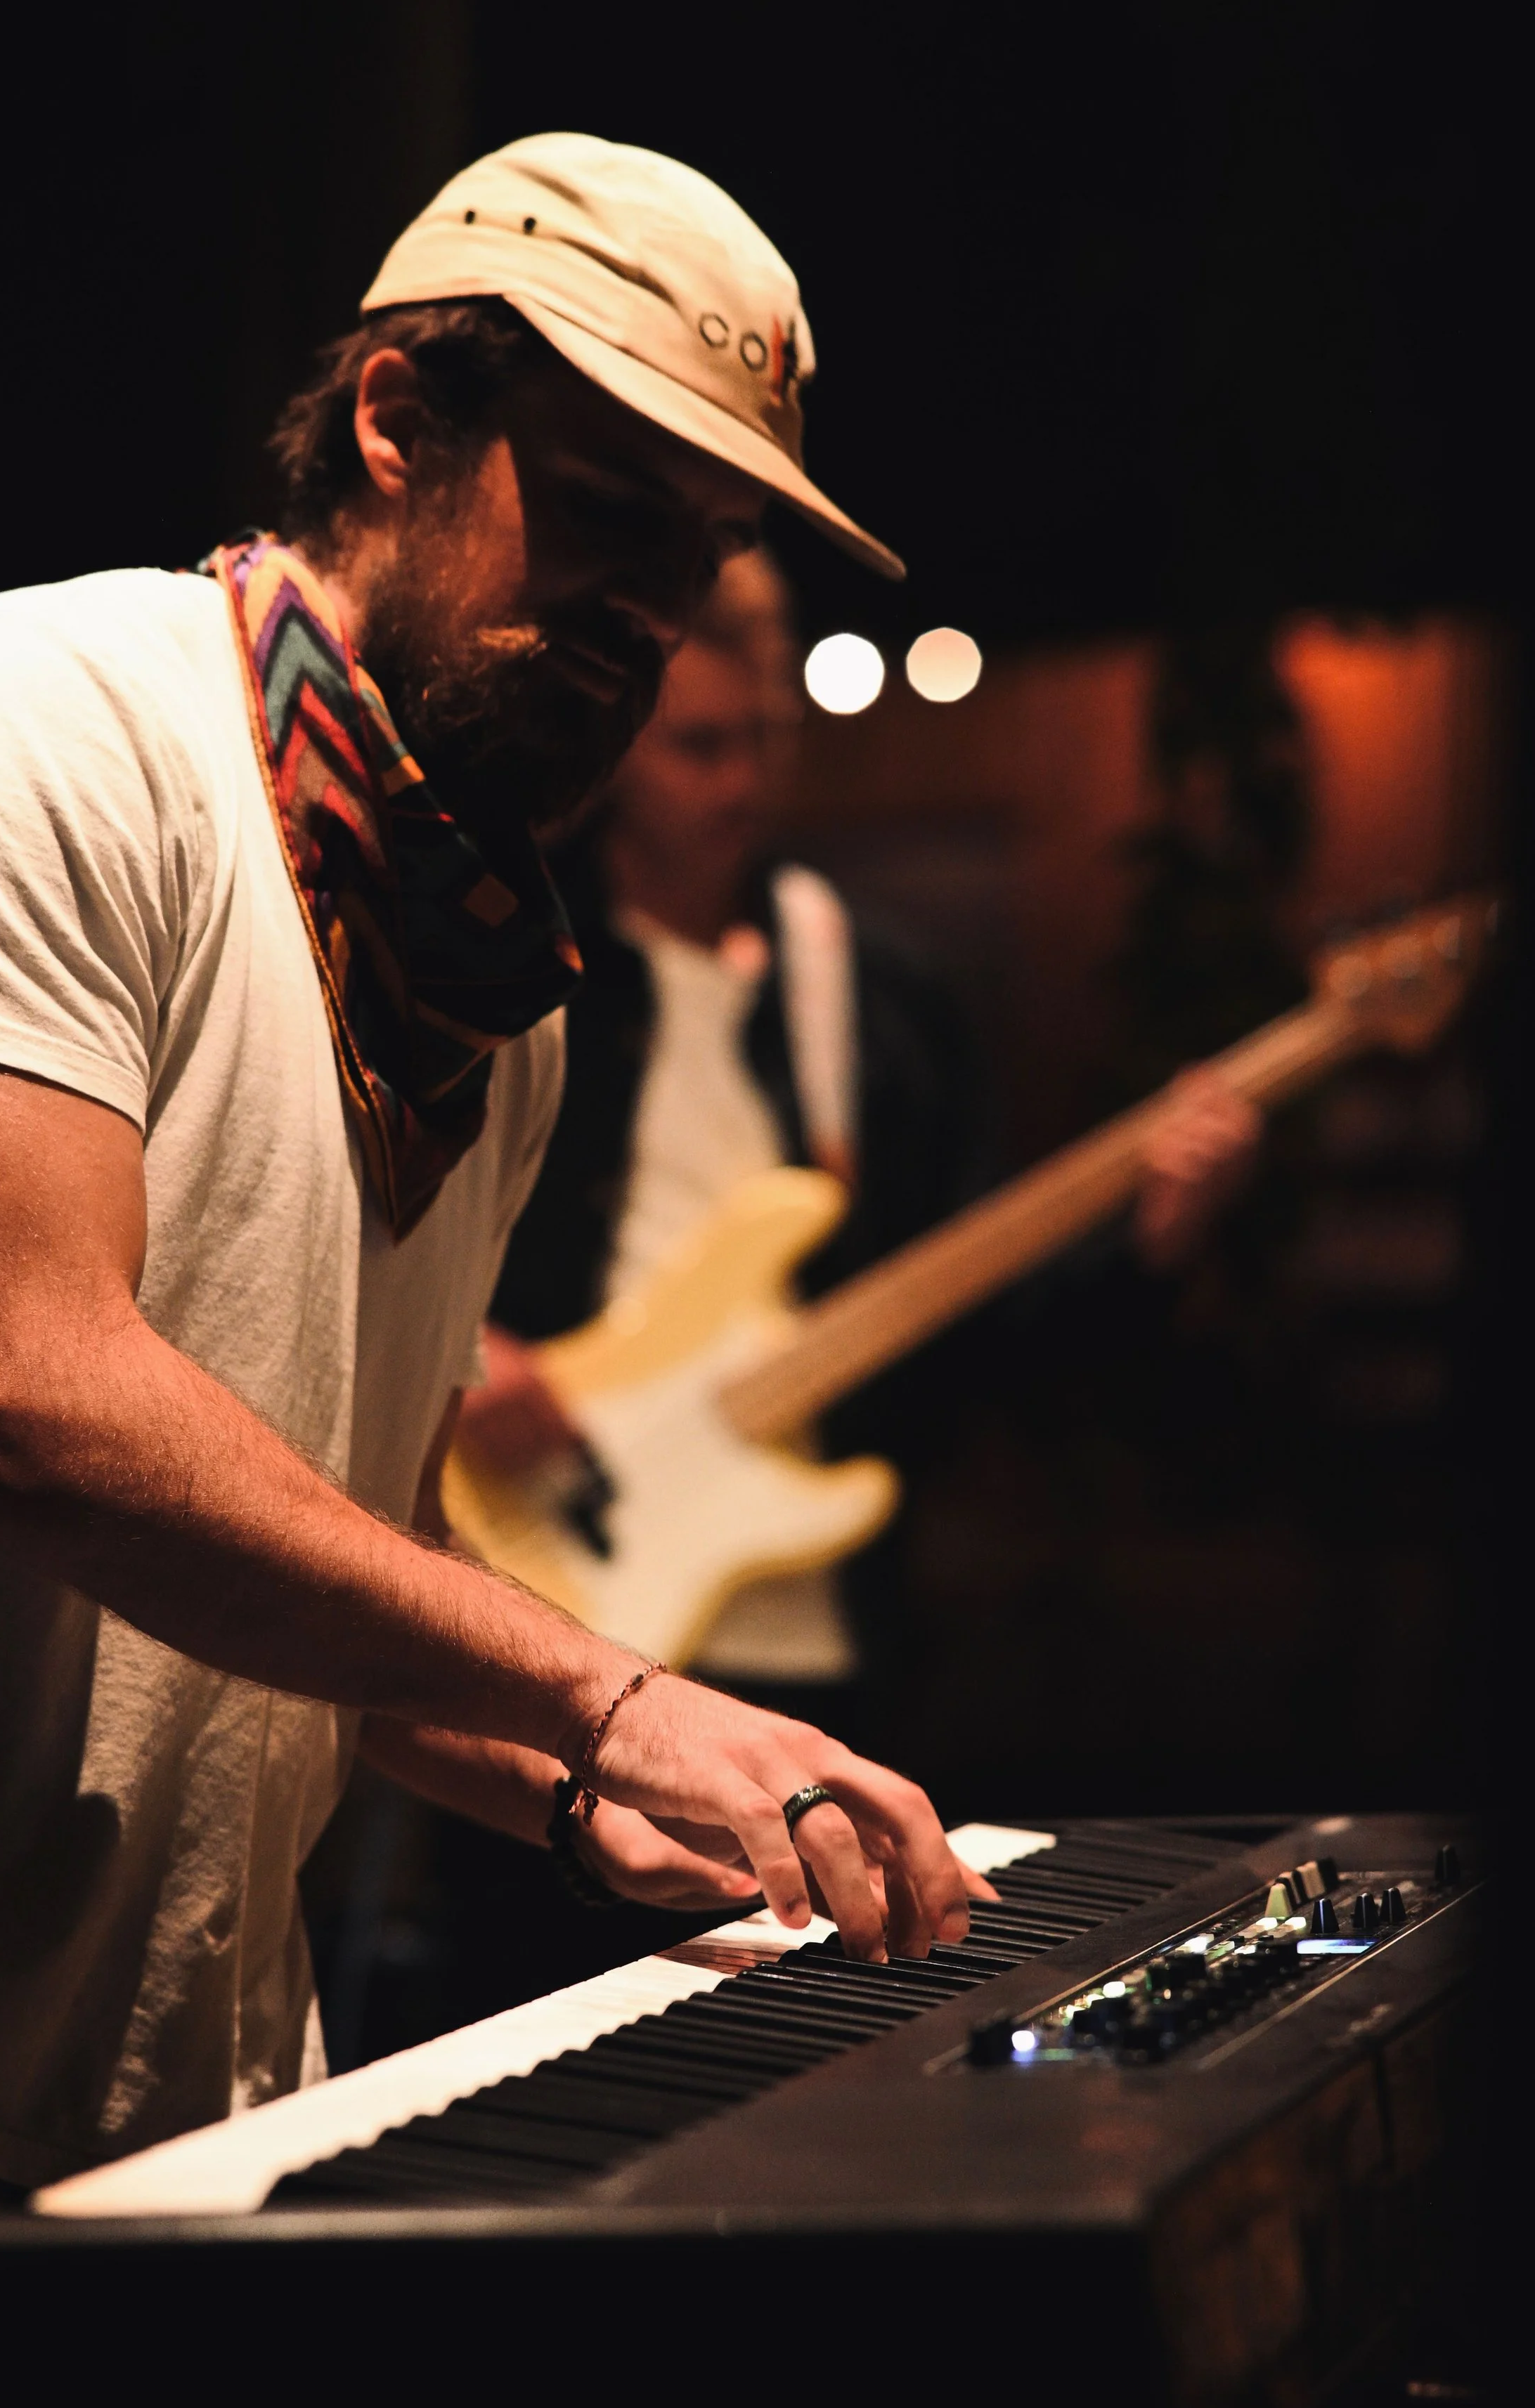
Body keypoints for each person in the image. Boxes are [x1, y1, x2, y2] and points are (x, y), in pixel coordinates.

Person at [0, 135, 985, 2408]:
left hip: (200, 2124)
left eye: (695, 564)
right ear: (399, 420)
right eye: (609, 506)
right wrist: (618, 1696)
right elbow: (30, 1393)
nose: (650, 607)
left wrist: (552, 1781)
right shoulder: (38, 726)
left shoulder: (486, 994)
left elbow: (341, 1560)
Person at [460, 550, 1261, 1764]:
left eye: (765, 740)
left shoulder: (879, 993)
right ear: (619, 744)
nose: (743, 782)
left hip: (818, 1626)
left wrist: (1159, 1239)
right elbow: (369, 1219)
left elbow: (982, 1322)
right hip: (548, 1588)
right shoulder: (506, 957)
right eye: (700, 746)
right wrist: (461, 1349)